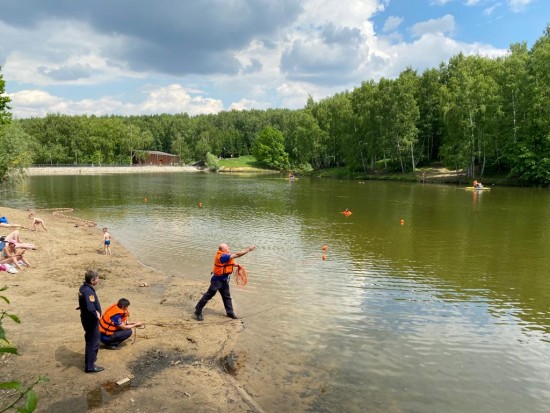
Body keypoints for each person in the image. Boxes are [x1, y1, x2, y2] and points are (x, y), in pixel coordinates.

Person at [194, 243, 256, 321]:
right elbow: (237, 255)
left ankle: (230, 313)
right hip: (217, 281)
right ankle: (198, 310)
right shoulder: (223, 256)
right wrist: (248, 250)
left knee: (227, 296)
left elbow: (226, 264)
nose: (229, 247)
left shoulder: (225, 255)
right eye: (227, 247)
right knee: (208, 295)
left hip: (224, 281)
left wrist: (234, 265)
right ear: (223, 249)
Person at [78, 269, 104, 373]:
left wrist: (82, 307)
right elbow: (90, 307)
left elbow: (84, 303)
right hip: (91, 320)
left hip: (86, 318)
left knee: (90, 340)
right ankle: (90, 366)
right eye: (97, 278)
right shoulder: (88, 291)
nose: (99, 280)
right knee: (93, 342)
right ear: (92, 280)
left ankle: (91, 360)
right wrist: (96, 314)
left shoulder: (83, 288)